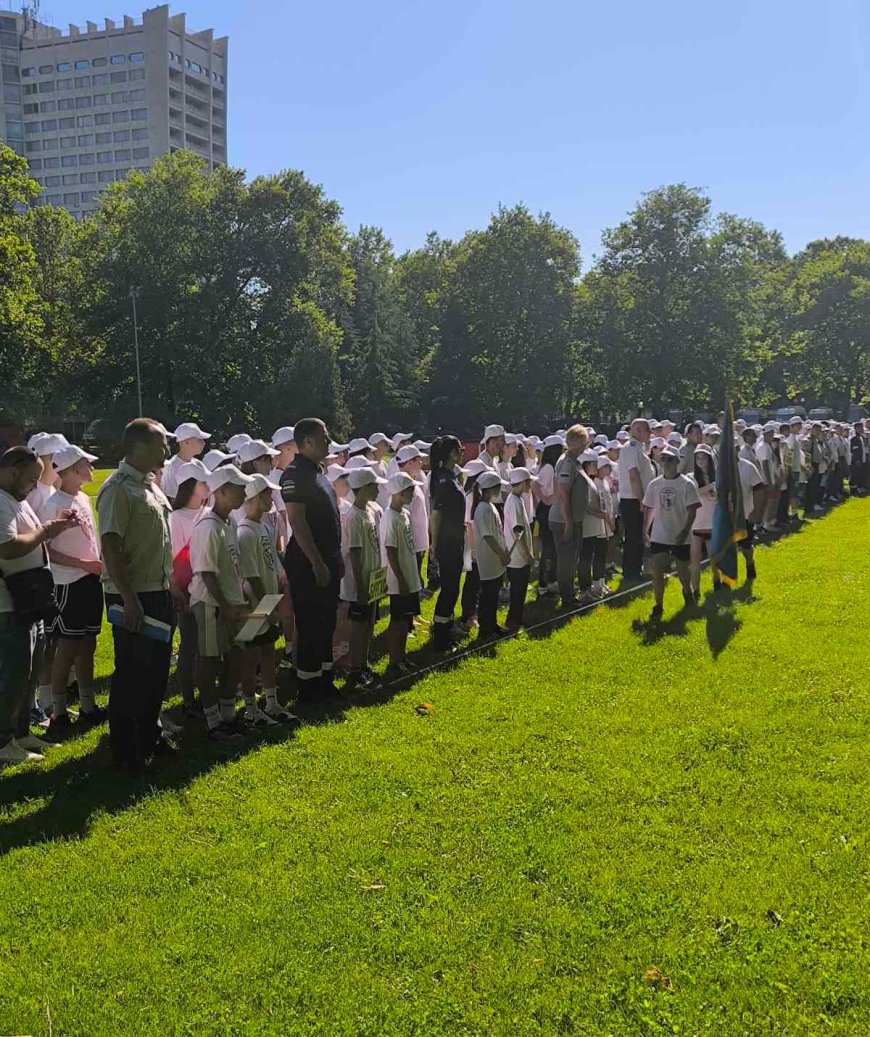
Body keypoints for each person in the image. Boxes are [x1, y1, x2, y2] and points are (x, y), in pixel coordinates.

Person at [97, 419, 182, 773]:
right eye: (162, 444)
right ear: (141, 446)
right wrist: (129, 599)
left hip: (157, 591)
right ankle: (125, 748)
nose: (167, 451)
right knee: (132, 672)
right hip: (132, 595)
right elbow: (111, 548)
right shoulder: (118, 489)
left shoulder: (151, 486)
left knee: (157, 672)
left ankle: (150, 734)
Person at [0, 447, 78, 763]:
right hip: (8, 603)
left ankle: (21, 733)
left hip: (29, 600)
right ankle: (3, 742)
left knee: (30, 671)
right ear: (12, 470)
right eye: (31, 478)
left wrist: (52, 527)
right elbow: (7, 547)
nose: (34, 485)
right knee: (13, 674)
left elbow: (30, 536)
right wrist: (46, 531)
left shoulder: (15, 501)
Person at [41, 444, 106, 734]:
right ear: (72, 470)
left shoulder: (81, 497)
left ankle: (87, 705)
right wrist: (82, 564)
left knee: (88, 644)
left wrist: (95, 564)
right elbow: (47, 551)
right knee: (67, 646)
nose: (92, 468)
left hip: (90, 579)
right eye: (86, 464)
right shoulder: (54, 503)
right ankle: (57, 711)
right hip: (68, 582)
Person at [280, 419, 342, 699]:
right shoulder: (295, 473)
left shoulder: (317, 471)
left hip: (328, 556)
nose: (329, 442)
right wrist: (316, 562)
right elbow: (297, 520)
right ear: (306, 442)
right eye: (323, 437)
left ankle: (324, 678)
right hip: (308, 561)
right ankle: (308, 685)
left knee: (327, 621)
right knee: (310, 622)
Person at [189, 465, 253, 740]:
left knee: (236, 656)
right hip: (211, 605)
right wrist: (223, 605)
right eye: (238, 488)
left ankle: (228, 713)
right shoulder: (208, 526)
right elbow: (205, 572)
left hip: (233, 602)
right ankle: (213, 720)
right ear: (222, 491)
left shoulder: (230, 523)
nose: (244, 492)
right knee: (210, 659)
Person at [237, 474, 295, 723]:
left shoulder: (265, 527)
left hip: (269, 600)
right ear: (254, 497)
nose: (271, 497)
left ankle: (271, 701)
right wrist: (265, 606)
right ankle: (250, 706)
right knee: (251, 655)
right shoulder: (244, 532)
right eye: (266, 494)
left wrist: (279, 592)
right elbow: (251, 575)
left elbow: (271, 565)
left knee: (269, 650)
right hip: (255, 603)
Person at [168, 462, 210, 718]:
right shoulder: (175, 518)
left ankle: (208, 693)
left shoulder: (208, 512)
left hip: (211, 589)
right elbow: (173, 559)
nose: (208, 487)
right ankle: (187, 698)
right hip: (188, 591)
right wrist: (177, 591)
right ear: (190, 486)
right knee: (190, 645)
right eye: (203, 482)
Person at [641, 447, 701, 619]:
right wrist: (645, 530)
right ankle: (658, 604)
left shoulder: (686, 484)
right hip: (659, 534)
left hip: (680, 534)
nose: (666, 463)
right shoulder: (654, 484)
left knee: (682, 570)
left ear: (677, 461)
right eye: (663, 459)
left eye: (669, 459)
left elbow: (692, 510)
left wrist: (685, 530)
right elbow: (650, 508)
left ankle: (687, 591)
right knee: (657, 569)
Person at [340, 467, 387, 685]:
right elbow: (355, 553)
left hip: (372, 579)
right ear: (364, 488)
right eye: (374, 486)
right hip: (360, 583)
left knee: (369, 624)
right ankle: (354, 669)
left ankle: (364, 664)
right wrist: (360, 587)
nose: (378, 490)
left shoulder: (368, 511)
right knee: (358, 626)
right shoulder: (353, 516)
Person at [381, 472, 422, 676]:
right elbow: (391, 550)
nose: (413, 494)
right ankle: (394, 660)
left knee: (406, 620)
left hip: (409, 576)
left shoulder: (403, 515)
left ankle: (402, 657)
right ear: (398, 494)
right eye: (410, 491)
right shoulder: (390, 517)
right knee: (397, 621)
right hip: (399, 580)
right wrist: (401, 579)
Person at [428, 436, 466, 649]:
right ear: (452, 453)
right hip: (448, 540)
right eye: (459, 449)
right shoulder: (444, 479)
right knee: (449, 587)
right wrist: (435, 543)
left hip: (455, 536)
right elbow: (436, 514)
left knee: (453, 587)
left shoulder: (450, 476)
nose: (462, 452)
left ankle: (447, 626)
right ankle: (441, 634)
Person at [549, 425, 589, 607]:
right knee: (566, 560)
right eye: (582, 442)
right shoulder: (566, 463)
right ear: (572, 442)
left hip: (573, 518)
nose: (584, 447)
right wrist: (568, 522)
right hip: (564, 519)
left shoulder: (573, 461)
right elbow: (563, 494)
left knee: (571, 559)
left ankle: (569, 594)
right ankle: (567, 598)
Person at [472, 471, 510, 638]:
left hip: (496, 559)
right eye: (497, 487)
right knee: (488, 596)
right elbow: (488, 536)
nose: (499, 490)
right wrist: (501, 553)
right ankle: (485, 628)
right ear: (488, 489)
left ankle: (492, 624)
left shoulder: (490, 506)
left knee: (493, 594)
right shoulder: (482, 510)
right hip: (489, 558)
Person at [617, 419, 654, 581]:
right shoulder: (631, 449)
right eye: (647, 430)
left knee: (639, 535)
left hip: (637, 498)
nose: (650, 434)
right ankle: (631, 572)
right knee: (634, 536)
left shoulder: (639, 448)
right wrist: (641, 500)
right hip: (633, 499)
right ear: (638, 430)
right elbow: (634, 476)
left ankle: (636, 568)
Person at [576, 451, 612, 601]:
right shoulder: (583, 481)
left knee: (592, 555)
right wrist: (600, 514)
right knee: (585, 558)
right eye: (594, 464)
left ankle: (593, 585)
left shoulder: (590, 481)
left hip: (594, 526)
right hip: (586, 525)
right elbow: (584, 506)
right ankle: (584, 589)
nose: (596, 468)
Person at [503, 467, 535, 630]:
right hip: (517, 557)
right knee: (517, 591)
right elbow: (518, 532)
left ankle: (517, 619)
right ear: (522, 483)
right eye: (528, 482)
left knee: (520, 590)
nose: (530, 485)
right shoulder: (514, 502)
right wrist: (527, 554)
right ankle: (512, 622)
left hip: (519, 556)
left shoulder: (517, 499)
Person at [688, 444, 717, 597]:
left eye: (703, 457)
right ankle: (695, 588)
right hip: (696, 523)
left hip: (712, 522)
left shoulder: (717, 476)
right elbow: (693, 493)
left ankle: (717, 581)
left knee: (714, 556)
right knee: (695, 558)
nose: (700, 461)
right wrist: (709, 488)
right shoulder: (691, 477)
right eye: (697, 458)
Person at [535, 437, 562, 596]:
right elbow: (535, 484)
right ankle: (544, 584)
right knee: (548, 549)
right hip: (546, 510)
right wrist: (545, 499)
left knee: (552, 548)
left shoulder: (551, 467)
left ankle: (551, 581)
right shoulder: (549, 468)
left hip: (551, 509)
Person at [161, 422, 210, 501]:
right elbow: (172, 499)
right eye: (199, 439)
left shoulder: (198, 463)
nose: (204, 443)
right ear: (186, 442)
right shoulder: (170, 467)